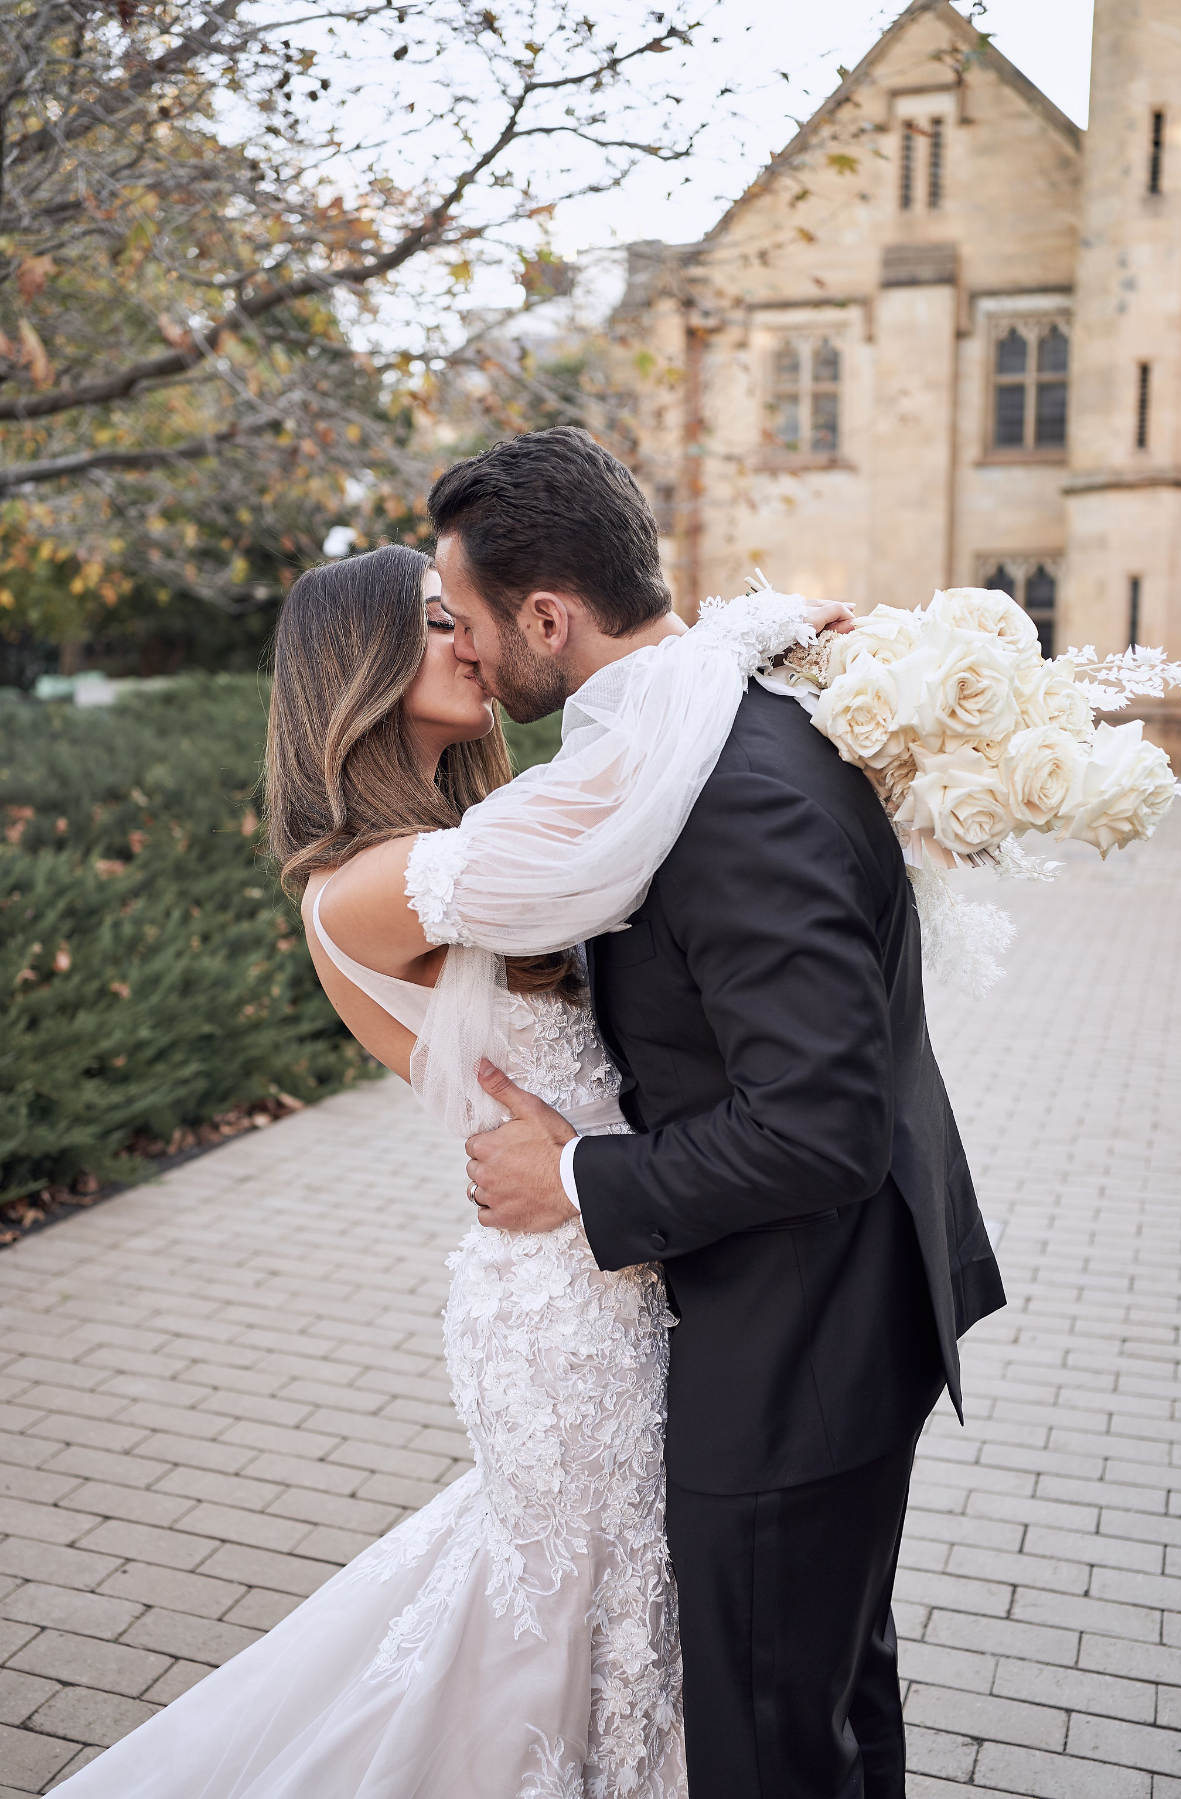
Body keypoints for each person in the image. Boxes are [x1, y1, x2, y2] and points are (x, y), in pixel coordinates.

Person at [52, 533, 848, 1799]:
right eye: (438, 621)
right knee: (565, 1630)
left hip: (615, 1262)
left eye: (468, 615)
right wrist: (732, 641)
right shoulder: (365, 886)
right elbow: (621, 802)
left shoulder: (468, 832)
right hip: (559, 1308)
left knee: (616, 1622)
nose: (472, 639)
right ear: (357, 663)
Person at [409, 427, 1008, 1799]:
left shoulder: (729, 785)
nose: (476, 656)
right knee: (826, 1702)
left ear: (551, 614)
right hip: (815, 1305)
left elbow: (820, 1122)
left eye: (478, 622)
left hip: (805, 1336)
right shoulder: (714, 717)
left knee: (765, 1735)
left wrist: (579, 1177)